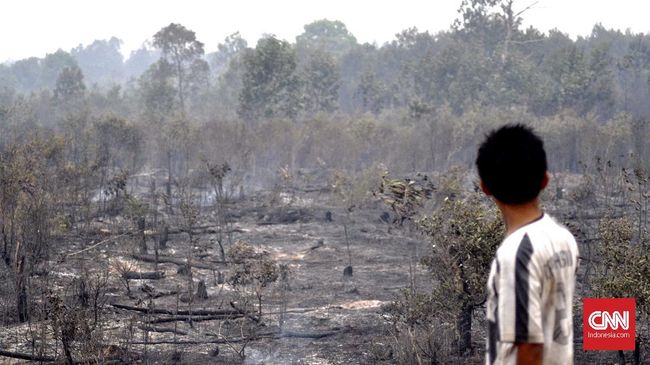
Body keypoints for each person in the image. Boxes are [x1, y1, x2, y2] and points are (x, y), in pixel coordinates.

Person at [476, 124, 579, 365]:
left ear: (485, 187)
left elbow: (530, 348)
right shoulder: (562, 238)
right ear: (545, 180)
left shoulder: (516, 255)